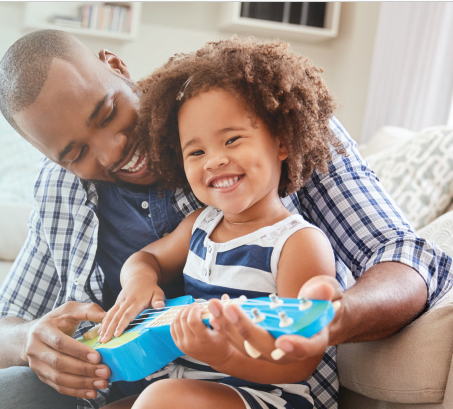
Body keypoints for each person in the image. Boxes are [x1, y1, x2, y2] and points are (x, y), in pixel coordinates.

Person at [0, 30, 450, 409]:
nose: (111, 150)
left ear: (117, 65)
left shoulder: (259, 118)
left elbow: (404, 256)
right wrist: (27, 340)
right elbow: (9, 319)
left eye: (109, 111)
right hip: (123, 386)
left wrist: (328, 318)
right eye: (76, 153)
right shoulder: (64, 187)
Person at [98, 36, 342, 409]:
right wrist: (139, 281)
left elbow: (299, 361)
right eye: (196, 151)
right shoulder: (200, 225)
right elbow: (145, 259)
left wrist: (222, 356)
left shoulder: (298, 243)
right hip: (193, 385)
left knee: (163, 398)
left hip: (268, 395)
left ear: (281, 141)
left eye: (232, 140)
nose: (213, 161)